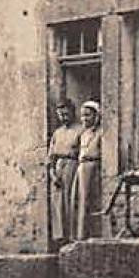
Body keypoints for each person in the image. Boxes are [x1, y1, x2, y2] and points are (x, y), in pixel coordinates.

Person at [47, 100, 80, 245]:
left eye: (66, 114)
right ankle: (60, 238)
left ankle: (74, 236)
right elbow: (50, 158)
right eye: (61, 115)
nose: (64, 117)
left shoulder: (80, 130)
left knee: (72, 201)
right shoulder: (57, 133)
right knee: (58, 203)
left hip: (73, 166)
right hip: (58, 168)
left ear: (72, 112)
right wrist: (53, 175)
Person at [74, 101, 105, 239]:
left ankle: (95, 233)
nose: (84, 119)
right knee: (79, 201)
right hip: (82, 167)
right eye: (82, 116)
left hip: (93, 167)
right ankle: (81, 234)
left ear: (96, 116)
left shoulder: (100, 134)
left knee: (91, 200)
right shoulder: (83, 134)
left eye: (88, 115)